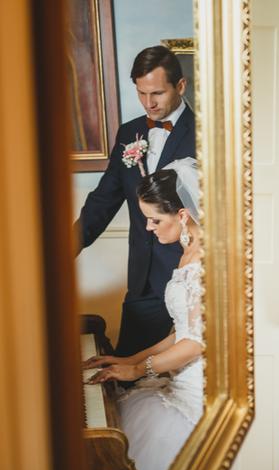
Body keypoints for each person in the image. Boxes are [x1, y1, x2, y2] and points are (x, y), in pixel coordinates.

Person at [83, 158, 203, 470]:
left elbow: (195, 344)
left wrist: (138, 369)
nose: (149, 228)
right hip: (179, 378)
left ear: (182, 215)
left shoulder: (204, 261)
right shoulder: (187, 252)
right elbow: (181, 332)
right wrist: (128, 359)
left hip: (199, 391)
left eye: (154, 220)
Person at [75, 45, 196, 357]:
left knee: (186, 366)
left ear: (180, 86)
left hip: (191, 277)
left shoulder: (207, 134)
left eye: (157, 93)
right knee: (126, 369)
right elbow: (103, 201)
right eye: (141, 93)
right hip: (143, 283)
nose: (148, 103)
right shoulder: (130, 133)